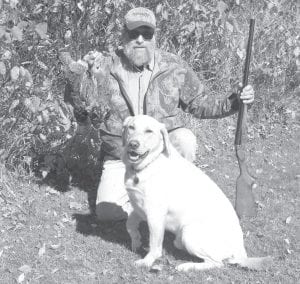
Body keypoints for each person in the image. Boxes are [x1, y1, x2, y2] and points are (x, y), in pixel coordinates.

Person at [65, 7, 255, 222]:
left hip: (162, 151)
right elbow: (81, 108)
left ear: (154, 36)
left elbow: (201, 104)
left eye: (146, 34)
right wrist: (79, 71)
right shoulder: (105, 66)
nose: (139, 40)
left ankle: (174, 199)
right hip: (121, 155)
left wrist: (236, 101)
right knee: (107, 214)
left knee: (185, 140)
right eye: (133, 33)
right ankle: (153, 206)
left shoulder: (173, 66)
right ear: (123, 35)